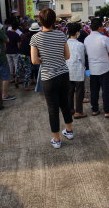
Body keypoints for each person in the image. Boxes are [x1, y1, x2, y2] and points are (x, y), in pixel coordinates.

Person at [30, 8, 73, 149]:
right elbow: (67, 56)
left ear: (40, 20)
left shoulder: (36, 38)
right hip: (63, 74)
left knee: (53, 108)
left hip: (49, 77)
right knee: (65, 104)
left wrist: (45, 59)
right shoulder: (61, 35)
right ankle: (69, 131)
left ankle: (56, 139)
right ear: (54, 20)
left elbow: (34, 61)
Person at [84, 18, 109, 118]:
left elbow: (86, 53)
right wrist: (106, 59)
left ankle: (95, 109)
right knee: (106, 91)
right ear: (99, 27)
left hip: (93, 69)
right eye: (102, 26)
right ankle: (107, 111)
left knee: (94, 90)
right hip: (104, 68)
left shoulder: (87, 39)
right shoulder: (104, 38)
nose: (103, 28)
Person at [66, 22, 87, 119]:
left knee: (69, 91)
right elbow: (82, 59)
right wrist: (83, 66)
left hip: (67, 69)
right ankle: (78, 111)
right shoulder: (80, 45)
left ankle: (70, 110)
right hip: (78, 70)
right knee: (79, 91)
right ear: (77, 32)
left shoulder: (65, 43)